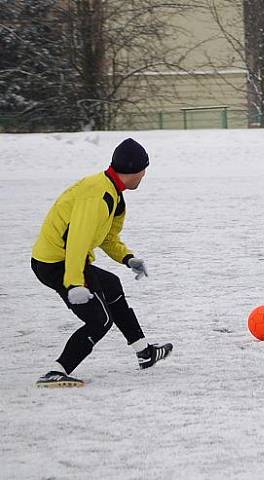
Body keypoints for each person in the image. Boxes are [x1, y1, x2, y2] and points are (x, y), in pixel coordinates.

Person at [31, 138, 173, 388]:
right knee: (100, 320)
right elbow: (77, 240)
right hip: (56, 262)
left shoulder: (112, 193)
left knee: (112, 285)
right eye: (144, 170)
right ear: (134, 170)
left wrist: (128, 258)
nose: (144, 175)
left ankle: (144, 353)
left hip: (65, 260)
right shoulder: (98, 195)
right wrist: (75, 283)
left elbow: (107, 237)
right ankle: (56, 371)